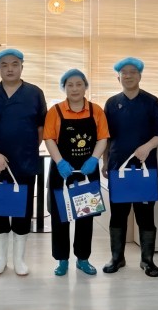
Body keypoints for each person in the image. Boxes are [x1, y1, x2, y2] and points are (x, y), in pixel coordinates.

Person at [0, 49, 47, 276]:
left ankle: (19, 259)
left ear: (22, 67)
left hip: (24, 162)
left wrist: (28, 150)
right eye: (4, 65)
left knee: (22, 212)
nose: (10, 69)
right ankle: (0, 258)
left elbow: (41, 127)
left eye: (14, 64)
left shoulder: (34, 93)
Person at [102, 57, 158, 277]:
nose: (128, 76)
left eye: (132, 72)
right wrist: (105, 162)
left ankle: (147, 261)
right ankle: (117, 258)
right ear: (118, 77)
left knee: (145, 215)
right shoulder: (111, 103)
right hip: (117, 168)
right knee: (118, 215)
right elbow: (106, 137)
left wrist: (147, 147)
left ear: (140, 75)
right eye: (124, 73)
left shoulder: (152, 102)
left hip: (144, 169)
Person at [43, 69, 109, 277]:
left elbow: (103, 138)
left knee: (85, 216)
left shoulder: (96, 111)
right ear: (64, 88)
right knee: (60, 217)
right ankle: (62, 260)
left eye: (79, 84)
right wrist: (60, 162)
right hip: (62, 171)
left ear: (85, 87)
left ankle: (83, 259)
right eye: (70, 85)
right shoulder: (55, 111)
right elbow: (49, 138)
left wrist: (94, 159)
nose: (74, 89)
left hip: (87, 171)